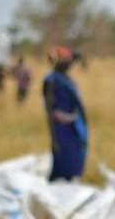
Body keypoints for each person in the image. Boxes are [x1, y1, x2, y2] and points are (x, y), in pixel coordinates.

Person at [43, 46, 88, 181]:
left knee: (76, 159)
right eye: (66, 61)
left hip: (75, 126)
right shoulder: (51, 80)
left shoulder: (66, 78)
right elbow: (49, 110)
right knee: (63, 162)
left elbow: (75, 56)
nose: (70, 63)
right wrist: (54, 138)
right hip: (61, 128)